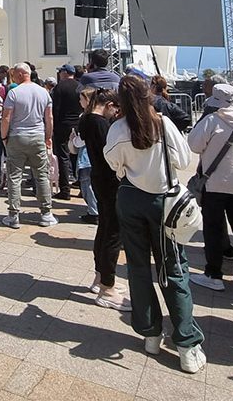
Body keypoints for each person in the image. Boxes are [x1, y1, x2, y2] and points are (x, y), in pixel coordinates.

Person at [104, 74, 206, 374]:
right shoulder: (161, 123)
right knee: (173, 268)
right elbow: (184, 159)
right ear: (149, 95)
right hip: (163, 201)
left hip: (131, 198)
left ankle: (150, 333)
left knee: (137, 267)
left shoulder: (118, 128)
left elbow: (114, 163)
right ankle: (186, 343)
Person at [186, 83, 233, 293]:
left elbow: (194, 145)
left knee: (214, 229)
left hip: (215, 182)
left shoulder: (212, 120)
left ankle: (213, 273)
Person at [78, 88, 130, 311]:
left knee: (106, 228)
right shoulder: (99, 124)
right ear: (108, 105)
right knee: (112, 232)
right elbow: (111, 153)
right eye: (115, 109)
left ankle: (101, 277)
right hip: (109, 179)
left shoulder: (87, 120)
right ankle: (106, 286)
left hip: (100, 178)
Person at [0, 63, 56, 228]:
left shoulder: (14, 93)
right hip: (38, 135)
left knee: (14, 177)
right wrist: (48, 137)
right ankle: (46, 213)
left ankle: (14, 215)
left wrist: (4, 137)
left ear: (21, 73)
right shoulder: (43, 92)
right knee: (42, 175)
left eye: (15, 73)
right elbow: (49, 118)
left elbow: (6, 117)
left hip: (17, 136)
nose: (13, 76)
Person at [51, 64, 82, 200]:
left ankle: (65, 190)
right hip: (78, 124)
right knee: (79, 156)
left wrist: (53, 127)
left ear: (64, 73)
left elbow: (55, 109)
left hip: (63, 125)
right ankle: (82, 186)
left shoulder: (59, 87)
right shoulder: (80, 86)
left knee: (63, 157)